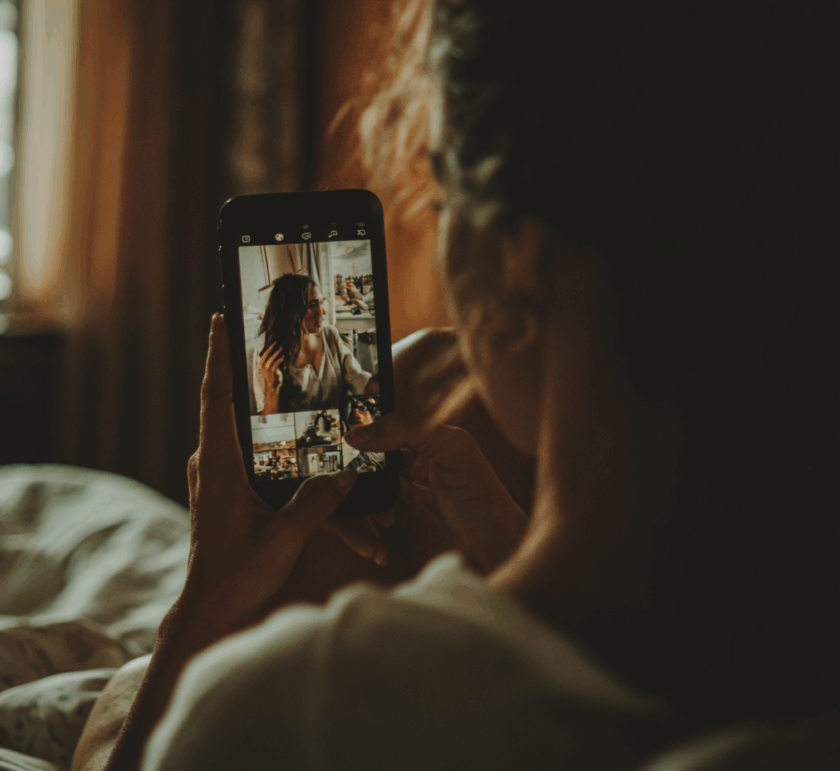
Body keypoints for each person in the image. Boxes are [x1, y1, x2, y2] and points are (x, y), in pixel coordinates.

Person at [71, 2, 837, 770]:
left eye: (441, 202)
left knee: (125, 686)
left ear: (518, 257)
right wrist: (507, 550)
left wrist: (196, 618)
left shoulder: (300, 710)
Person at [254, 273, 378, 414]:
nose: (322, 312)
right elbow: (268, 424)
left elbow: (358, 379)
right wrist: (272, 388)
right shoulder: (266, 356)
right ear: (290, 309)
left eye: (321, 302)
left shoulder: (329, 334)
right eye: (312, 305)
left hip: (339, 428)